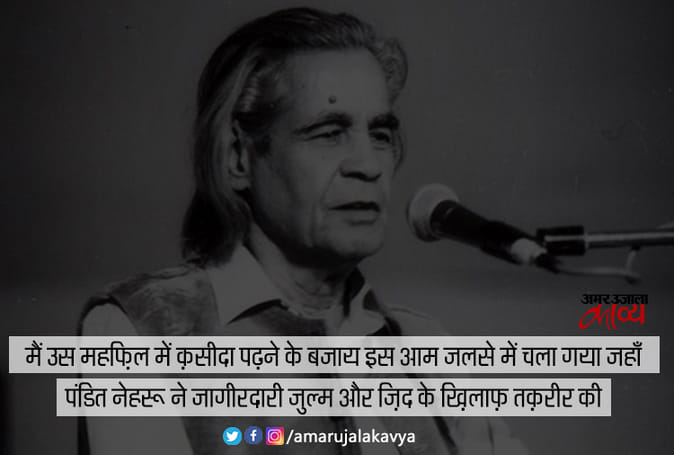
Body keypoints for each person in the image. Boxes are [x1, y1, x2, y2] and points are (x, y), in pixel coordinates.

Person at [80, 7, 527, 455]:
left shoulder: (426, 348)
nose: (368, 165)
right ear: (238, 157)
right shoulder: (144, 330)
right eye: (329, 133)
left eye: (380, 134)